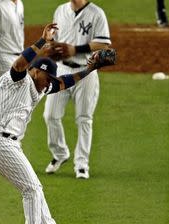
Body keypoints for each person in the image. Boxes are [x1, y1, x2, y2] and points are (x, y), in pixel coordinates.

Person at [0, 23, 115, 224]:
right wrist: (42, 42)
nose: (48, 81)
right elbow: (19, 63)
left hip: (8, 144)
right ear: (35, 71)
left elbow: (64, 82)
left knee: (34, 189)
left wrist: (90, 69)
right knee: (31, 189)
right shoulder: (16, 79)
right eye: (46, 76)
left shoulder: (40, 87)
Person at [43, 0, 111, 179]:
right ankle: (60, 154)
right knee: (50, 115)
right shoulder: (60, 10)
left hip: (86, 70)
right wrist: (51, 48)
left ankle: (81, 164)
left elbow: (104, 45)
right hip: (62, 70)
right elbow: (55, 41)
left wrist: (76, 49)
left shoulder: (97, 14)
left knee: (84, 119)